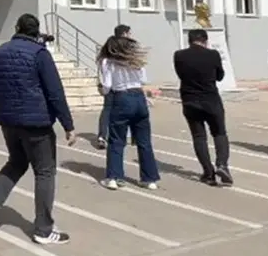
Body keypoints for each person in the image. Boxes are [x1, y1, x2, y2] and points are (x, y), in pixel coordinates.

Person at [0, 14, 75, 245]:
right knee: (44, 172)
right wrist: (68, 125)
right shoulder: (40, 54)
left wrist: (2, 104)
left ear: (17, 28)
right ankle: (43, 229)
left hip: (9, 121)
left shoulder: (0, 52)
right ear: (36, 31)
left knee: (16, 162)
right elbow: (55, 91)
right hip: (36, 124)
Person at [96, 34, 161, 190]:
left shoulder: (108, 62)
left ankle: (114, 177)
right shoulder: (136, 61)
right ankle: (149, 179)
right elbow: (143, 80)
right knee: (144, 141)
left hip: (121, 97)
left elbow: (107, 86)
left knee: (116, 139)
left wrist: (102, 90)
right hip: (138, 97)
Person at [173, 29, 232, 186]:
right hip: (210, 99)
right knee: (219, 133)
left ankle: (208, 172)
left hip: (190, 100)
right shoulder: (212, 54)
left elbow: (180, 75)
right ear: (205, 40)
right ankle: (222, 164)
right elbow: (220, 76)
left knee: (199, 136)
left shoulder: (179, 55)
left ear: (189, 40)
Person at [94, 24, 131, 150]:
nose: (130, 36)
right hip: (118, 87)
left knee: (108, 110)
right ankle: (115, 136)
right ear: (124, 34)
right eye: (128, 33)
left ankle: (103, 136)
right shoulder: (121, 48)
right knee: (119, 110)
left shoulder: (109, 49)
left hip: (112, 86)